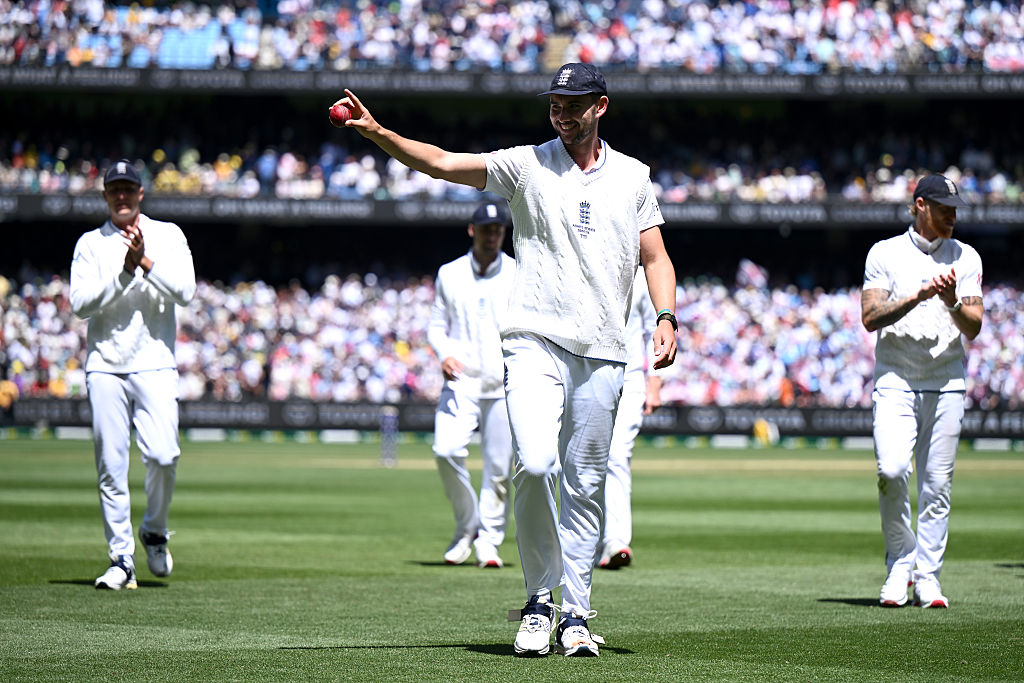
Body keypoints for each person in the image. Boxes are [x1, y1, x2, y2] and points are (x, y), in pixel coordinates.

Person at [335, 61, 679, 657]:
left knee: (587, 486)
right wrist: (377, 133)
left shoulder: (633, 177)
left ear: (601, 106)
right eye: (554, 104)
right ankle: (539, 600)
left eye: (573, 104)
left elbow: (656, 259)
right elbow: (442, 162)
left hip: (603, 348)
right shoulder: (526, 164)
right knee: (538, 464)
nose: (561, 113)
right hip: (532, 339)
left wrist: (667, 318)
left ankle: (575, 613)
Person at [69, 159, 197, 590]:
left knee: (164, 455)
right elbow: (80, 304)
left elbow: (185, 290)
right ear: (105, 195)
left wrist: (144, 262)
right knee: (111, 464)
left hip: (156, 362)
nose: (121, 196)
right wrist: (124, 271)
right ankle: (120, 558)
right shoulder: (90, 244)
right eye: (114, 189)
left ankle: (154, 530)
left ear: (141, 193)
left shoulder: (169, 234)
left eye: (129, 188)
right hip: (105, 364)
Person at [861, 173, 983, 609]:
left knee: (937, 484)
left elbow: (975, 325)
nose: (952, 216)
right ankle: (900, 562)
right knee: (892, 471)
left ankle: (927, 577)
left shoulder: (966, 257)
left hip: (947, 380)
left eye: (954, 209)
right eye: (942, 208)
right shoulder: (885, 253)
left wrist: (950, 301)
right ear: (919, 206)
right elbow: (870, 317)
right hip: (895, 379)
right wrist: (916, 296)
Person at [427, 200, 517, 569]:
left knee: (499, 469)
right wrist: (444, 353)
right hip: (461, 380)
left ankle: (489, 542)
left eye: (498, 230)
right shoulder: (449, 273)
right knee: (445, 449)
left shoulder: (517, 271)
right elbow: (436, 326)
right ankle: (469, 527)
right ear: (472, 230)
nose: (493, 235)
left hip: (503, 382)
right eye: (486, 229)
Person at [598, 267, 662, 570]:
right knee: (582, 461)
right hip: (590, 374)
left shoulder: (641, 275)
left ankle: (616, 541)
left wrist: (656, 381)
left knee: (616, 456)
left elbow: (657, 329)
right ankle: (591, 540)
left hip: (631, 378)